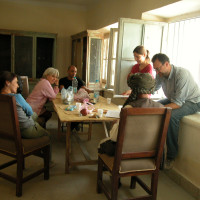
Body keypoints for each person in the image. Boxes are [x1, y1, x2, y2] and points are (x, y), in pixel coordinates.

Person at [152, 53, 200, 168]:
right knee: (152, 107)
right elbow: (153, 89)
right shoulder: (160, 74)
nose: (157, 72)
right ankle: (154, 150)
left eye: (158, 69)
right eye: (155, 69)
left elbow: (178, 103)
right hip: (173, 99)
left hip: (192, 102)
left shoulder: (182, 74)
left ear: (167, 64)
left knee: (171, 115)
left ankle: (171, 156)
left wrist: (160, 109)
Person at [98, 73, 164, 156]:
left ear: (133, 89)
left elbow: (114, 137)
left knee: (102, 145)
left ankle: (111, 166)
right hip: (151, 153)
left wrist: (115, 124)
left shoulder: (129, 108)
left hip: (126, 152)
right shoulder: (162, 108)